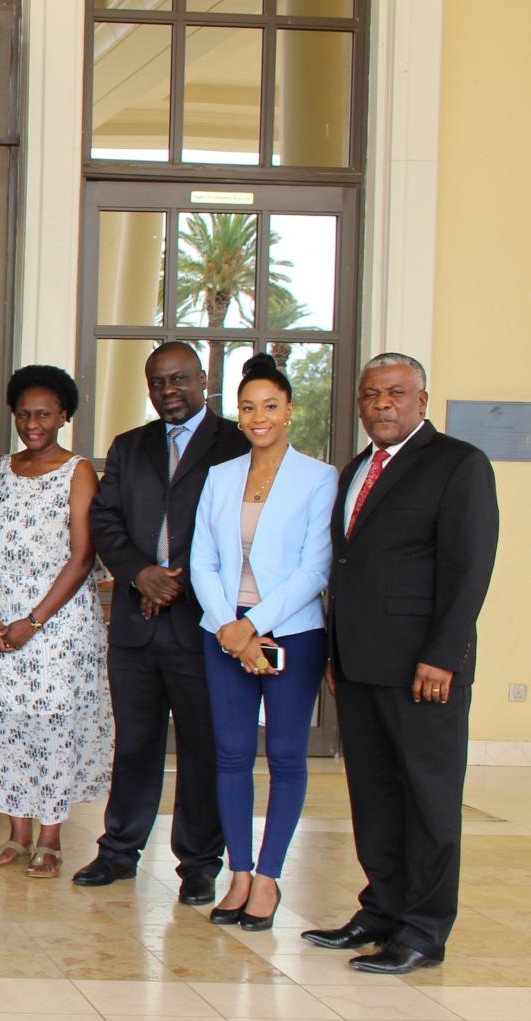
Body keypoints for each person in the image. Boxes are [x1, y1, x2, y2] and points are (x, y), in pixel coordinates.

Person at [303, 353, 499, 974]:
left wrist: (442, 656)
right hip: (359, 665)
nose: (381, 405)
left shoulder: (458, 464)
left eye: (394, 393)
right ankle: (381, 909)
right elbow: (348, 568)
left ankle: (423, 930)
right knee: (375, 797)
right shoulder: (358, 468)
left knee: (429, 802)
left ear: (421, 399)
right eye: (370, 395)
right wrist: (335, 652)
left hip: (423, 670)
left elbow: (468, 570)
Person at [74, 341, 247, 904]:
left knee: (201, 746)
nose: (168, 390)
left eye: (179, 379)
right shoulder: (129, 446)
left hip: (204, 623)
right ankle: (119, 851)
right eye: (157, 382)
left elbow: (236, 533)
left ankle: (198, 863)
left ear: (203, 380)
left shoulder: (237, 444)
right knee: (135, 743)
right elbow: (107, 518)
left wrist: (174, 584)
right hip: (135, 624)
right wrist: (139, 575)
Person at [187, 354, 336, 930]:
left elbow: (314, 568)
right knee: (229, 755)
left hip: (291, 633)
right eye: (248, 407)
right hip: (222, 630)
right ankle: (240, 873)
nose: (258, 417)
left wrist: (255, 625)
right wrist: (229, 624)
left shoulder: (318, 478)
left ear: (290, 410)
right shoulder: (220, 476)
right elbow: (202, 558)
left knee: (285, 757)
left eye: (270, 406)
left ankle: (269, 877)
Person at [0, 366, 110, 879]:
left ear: (64, 416)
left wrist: (34, 620)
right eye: (24, 414)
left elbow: (81, 557)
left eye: (44, 414)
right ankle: (16, 834)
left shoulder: (78, 471)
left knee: (53, 725)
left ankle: (50, 837)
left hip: (58, 624)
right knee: (6, 723)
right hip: (2, 624)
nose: (33, 423)